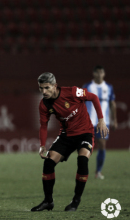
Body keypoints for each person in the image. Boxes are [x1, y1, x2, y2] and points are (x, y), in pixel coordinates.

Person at [31, 72, 108, 212]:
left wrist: (101, 120)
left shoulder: (72, 92)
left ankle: (75, 201)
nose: (44, 91)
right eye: (41, 88)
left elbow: (94, 97)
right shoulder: (44, 104)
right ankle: (48, 201)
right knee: (48, 163)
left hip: (85, 133)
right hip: (66, 136)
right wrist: (42, 146)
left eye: (47, 88)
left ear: (55, 86)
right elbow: (43, 125)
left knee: (82, 160)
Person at [82, 65, 117, 179]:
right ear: (94, 73)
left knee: (102, 145)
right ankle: (83, 172)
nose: (99, 74)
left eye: (101, 72)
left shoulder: (108, 87)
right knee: (86, 147)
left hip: (104, 122)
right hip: (89, 122)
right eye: (97, 72)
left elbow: (112, 104)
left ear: (104, 73)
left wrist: (114, 120)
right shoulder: (87, 86)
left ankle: (98, 172)